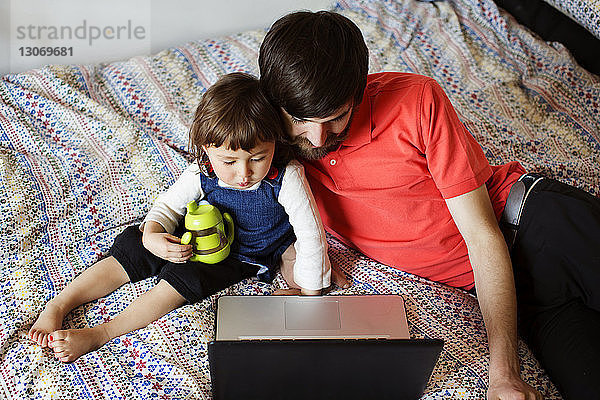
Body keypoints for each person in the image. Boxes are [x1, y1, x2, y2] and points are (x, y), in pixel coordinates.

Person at [258, 10, 600, 400]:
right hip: (518, 298)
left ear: (359, 91)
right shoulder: (269, 137)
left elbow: (482, 235)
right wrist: (289, 254)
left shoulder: (417, 101)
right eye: (302, 120)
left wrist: (503, 372)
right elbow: (227, 178)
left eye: (336, 118)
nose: (318, 139)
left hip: (537, 226)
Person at [28, 72, 334, 362]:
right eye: (229, 161)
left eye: (258, 158)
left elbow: (310, 233)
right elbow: (167, 207)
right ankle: (59, 304)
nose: (244, 174)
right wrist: (153, 236)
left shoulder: (287, 177)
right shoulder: (202, 173)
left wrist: (311, 292)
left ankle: (100, 333)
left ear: (275, 145)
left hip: (240, 254)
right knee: (134, 245)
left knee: (182, 281)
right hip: (193, 236)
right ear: (206, 150)